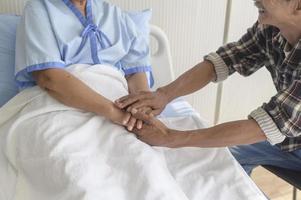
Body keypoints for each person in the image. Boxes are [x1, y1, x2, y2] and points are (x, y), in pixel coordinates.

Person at [115, 0, 301, 175]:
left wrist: (171, 137)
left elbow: (268, 125)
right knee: (219, 161)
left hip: (290, 137)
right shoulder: (271, 28)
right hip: (290, 138)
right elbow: (225, 60)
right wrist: (163, 95)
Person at [15, 0, 152, 131]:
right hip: (61, 106)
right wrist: (114, 112)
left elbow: (135, 72)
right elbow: (49, 78)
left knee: (140, 150)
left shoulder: (116, 15)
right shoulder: (39, 9)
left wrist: (141, 111)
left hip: (121, 110)